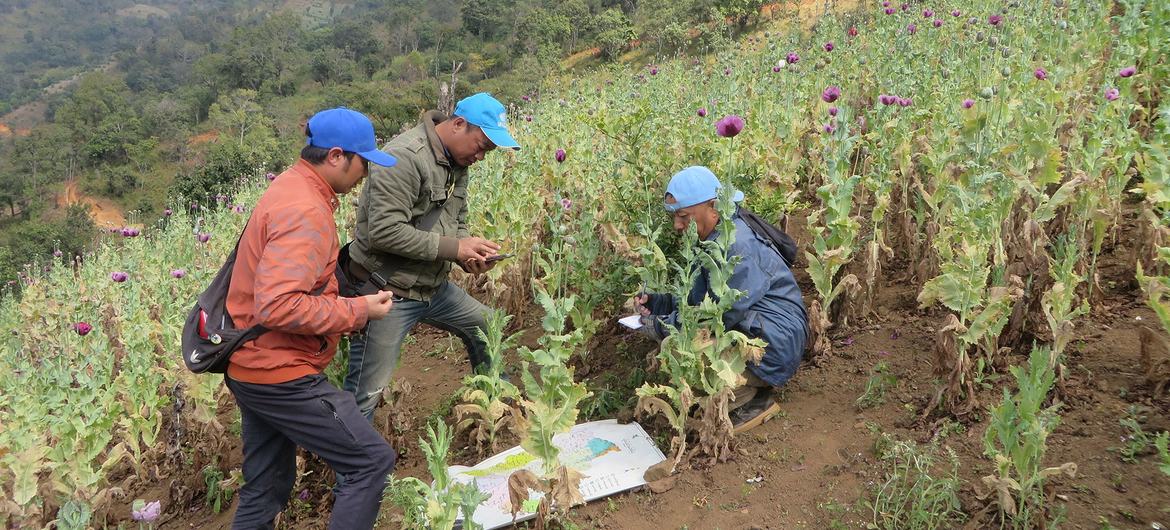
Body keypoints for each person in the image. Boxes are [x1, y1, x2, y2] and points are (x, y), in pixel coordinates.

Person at [223, 108, 398, 530]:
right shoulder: (306, 209)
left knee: (266, 485)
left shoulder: (290, 185)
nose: (366, 174)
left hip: (249, 363)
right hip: (278, 371)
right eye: (364, 162)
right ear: (337, 156)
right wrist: (359, 310)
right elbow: (278, 305)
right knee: (370, 462)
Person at [342, 92, 520, 419]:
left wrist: (467, 253)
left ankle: (499, 413)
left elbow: (457, 220)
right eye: (482, 145)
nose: (482, 156)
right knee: (366, 391)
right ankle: (353, 465)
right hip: (386, 292)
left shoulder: (458, 162)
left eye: (489, 151)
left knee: (487, 325)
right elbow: (384, 232)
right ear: (458, 124)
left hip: (431, 287)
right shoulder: (404, 157)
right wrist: (454, 248)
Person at [635, 166, 808, 433]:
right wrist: (659, 303)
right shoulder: (714, 236)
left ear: (713, 207)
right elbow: (698, 300)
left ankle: (751, 397)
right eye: (675, 217)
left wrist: (661, 326)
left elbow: (717, 313)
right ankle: (736, 388)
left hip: (775, 345)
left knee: (683, 345)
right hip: (760, 330)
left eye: (683, 216)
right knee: (684, 342)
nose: (677, 225)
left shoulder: (738, 245)